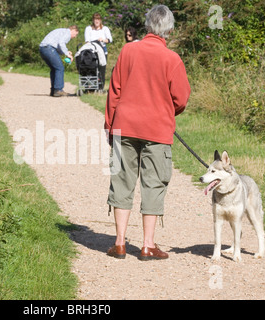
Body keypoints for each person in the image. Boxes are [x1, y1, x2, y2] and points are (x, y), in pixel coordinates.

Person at [104, 5, 191, 261]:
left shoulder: (128, 50)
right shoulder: (172, 59)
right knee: (153, 183)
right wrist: (165, 111)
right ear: (170, 30)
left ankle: (119, 243)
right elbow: (182, 98)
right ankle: (147, 245)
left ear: (147, 25)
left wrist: (110, 126)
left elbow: (114, 91)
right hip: (157, 130)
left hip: (125, 126)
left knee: (121, 180)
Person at [39, 25, 79, 97]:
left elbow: (58, 46)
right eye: (76, 34)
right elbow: (61, 43)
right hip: (48, 48)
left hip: (42, 49)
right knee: (59, 68)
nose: (75, 36)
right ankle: (58, 90)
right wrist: (67, 53)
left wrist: (65, 52)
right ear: (74, 30)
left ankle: (53, 90)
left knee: (54, 68)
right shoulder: (67, 33)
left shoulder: (62, 31)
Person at [84, 13, 112, 90]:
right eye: (95, 19)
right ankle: (91, 87)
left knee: (102, 69)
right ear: (93, 20)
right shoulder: (88, 28)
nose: (97, 21)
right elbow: (87, 41)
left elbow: (110, 39)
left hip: (102, 51)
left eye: (98, 19)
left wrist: (103, 40)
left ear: (100, 20)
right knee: (91, 69)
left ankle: (101, 87)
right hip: (92, 51)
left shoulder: (105, 29)